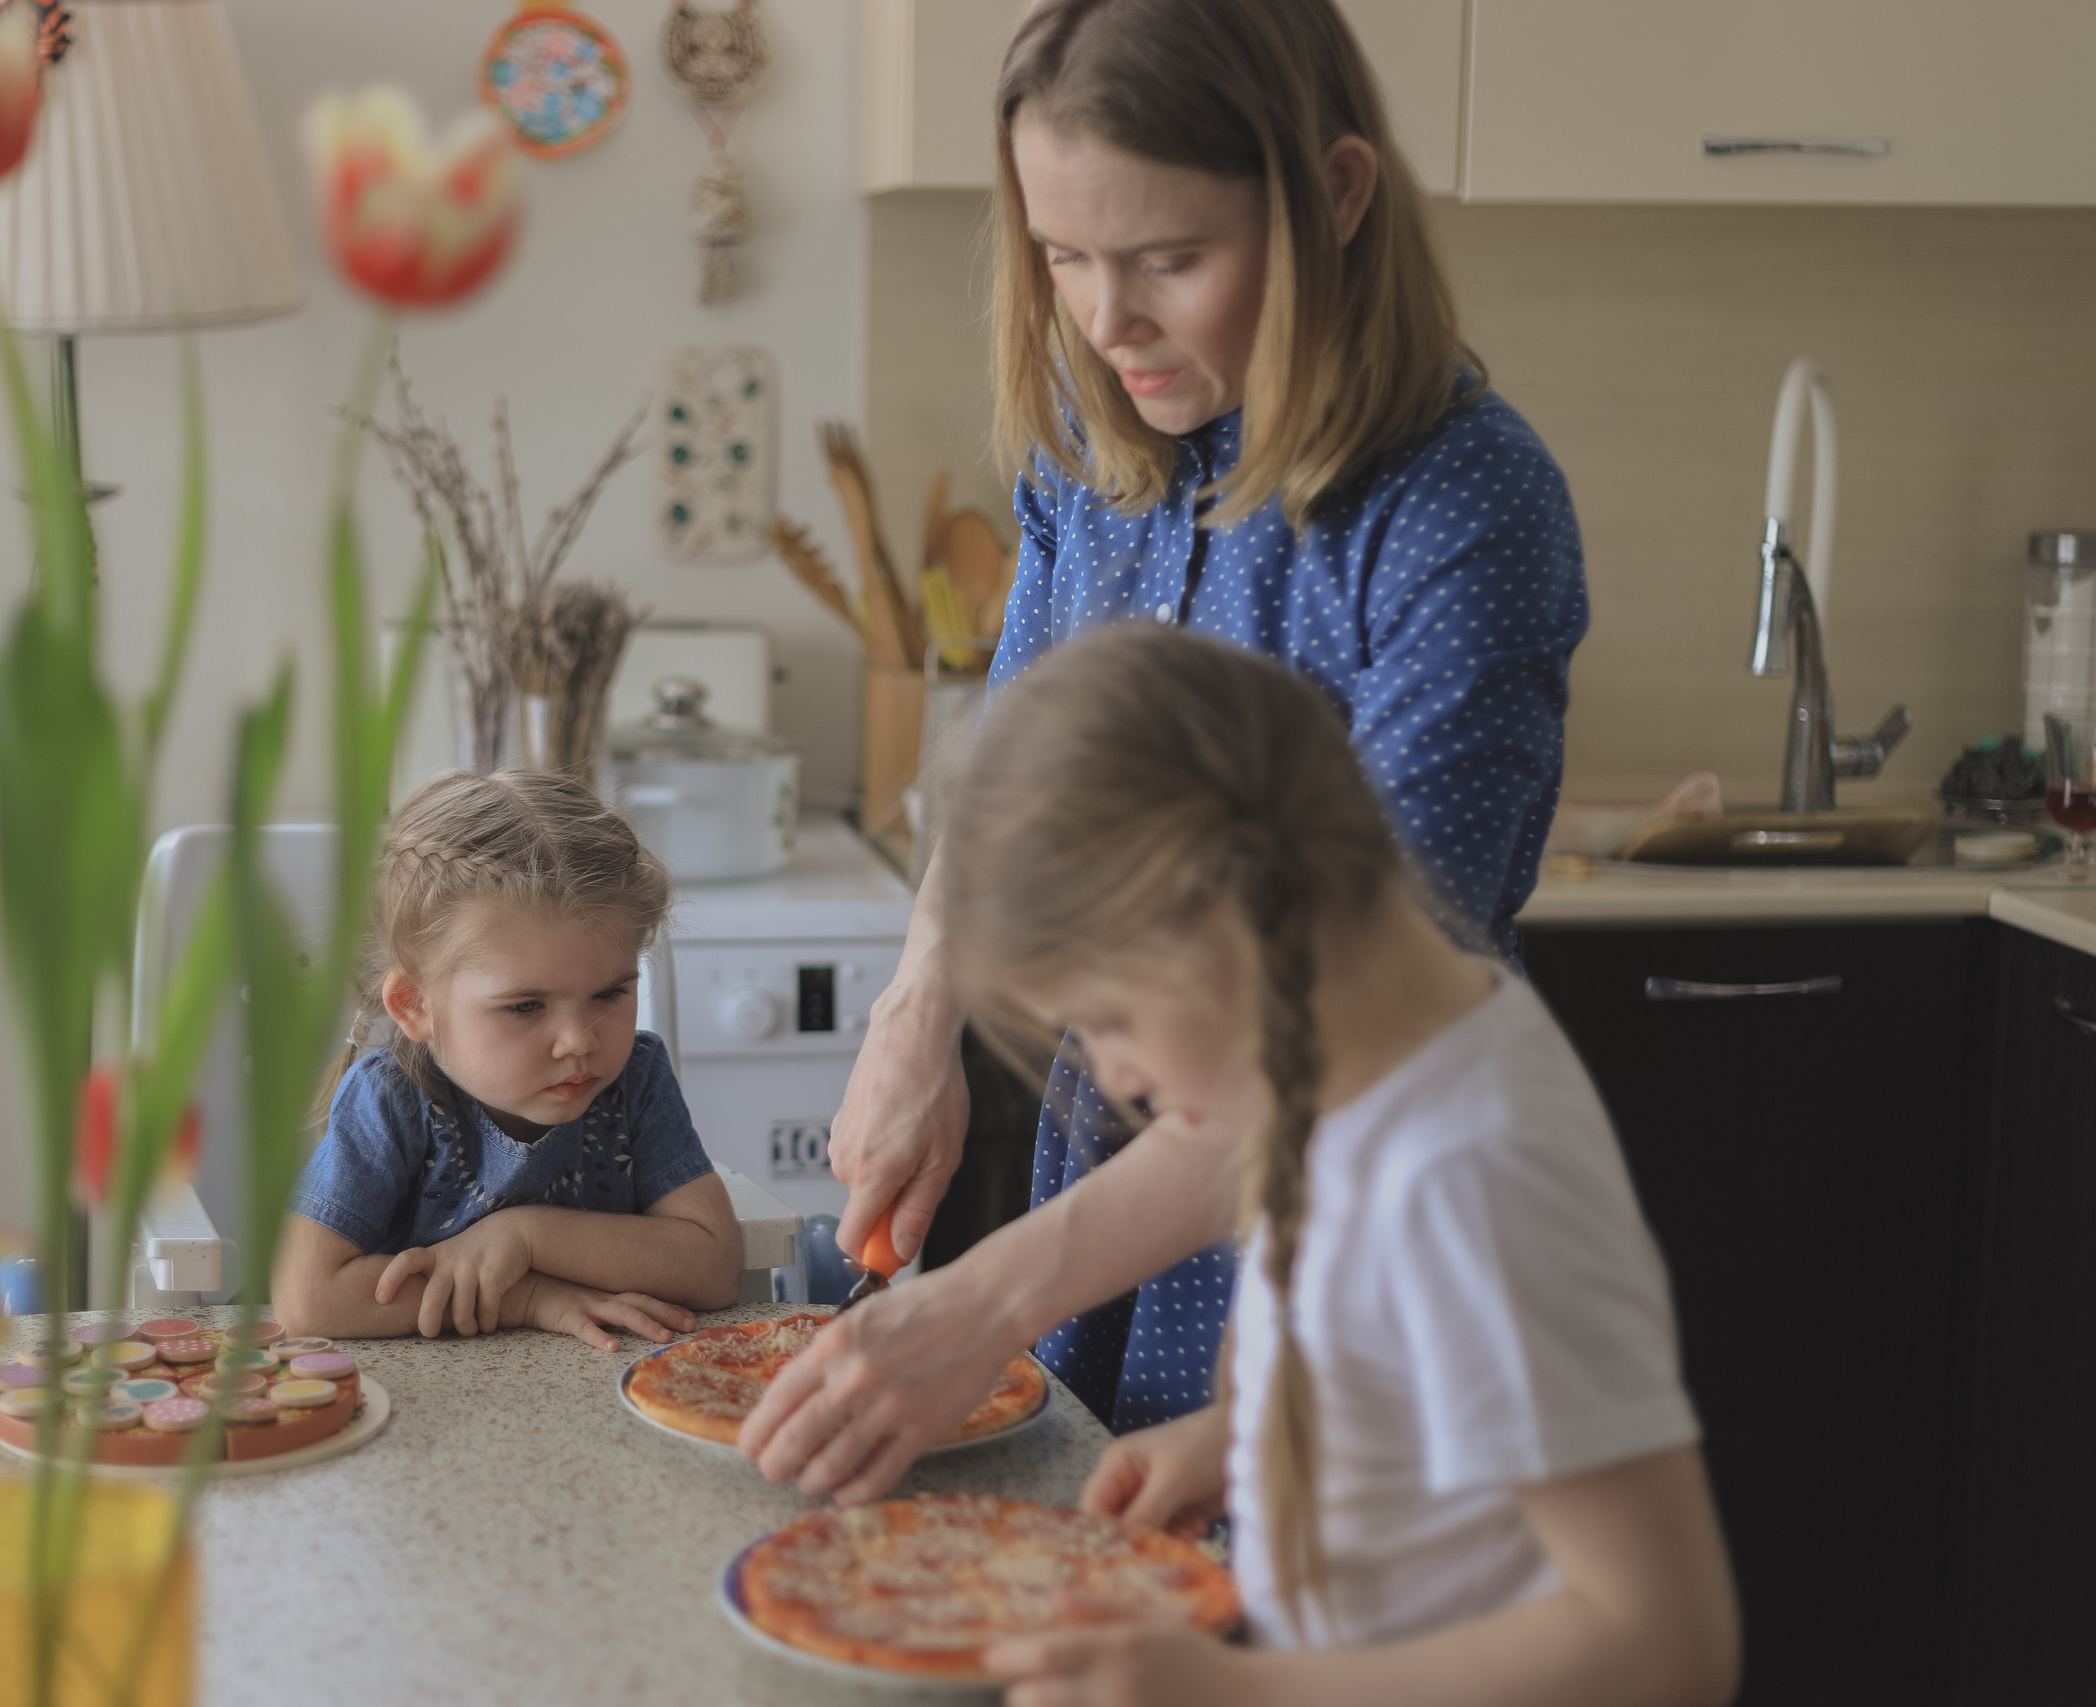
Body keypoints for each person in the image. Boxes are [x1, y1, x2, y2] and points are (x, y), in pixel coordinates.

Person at [753, 0, 1589, 1476]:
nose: (1103, 317)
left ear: (1336, 194)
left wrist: (991, 1295)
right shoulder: (1096, 448)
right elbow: (1016, 776)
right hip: (1114, 1167)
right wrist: (917, 1016)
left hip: (1345, 1218)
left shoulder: (1466, 510)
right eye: (1062, 256)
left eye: (1169, 261)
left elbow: (1349, 1028)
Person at [970, 625, 1736, 1702]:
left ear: (1226, 922)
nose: (1115, 1074)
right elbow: (1399, 1376)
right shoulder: (1342, 1078)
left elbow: (1664, 1641)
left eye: (1107, 1019)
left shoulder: (1471, 1173)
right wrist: (1235, 1442)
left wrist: (1238, 1694)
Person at [273, 771, 743, 1347]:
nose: (579, 1041)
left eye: (610, 994)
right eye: (525, 1006)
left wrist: (527, 1237)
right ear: (414, 1004)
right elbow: (307, 1299)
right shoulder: (391, 1098)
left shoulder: (636, 1081)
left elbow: (715, 1267)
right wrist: (529, 1296)